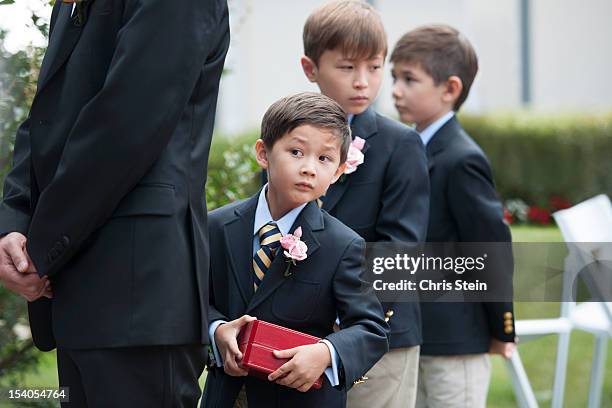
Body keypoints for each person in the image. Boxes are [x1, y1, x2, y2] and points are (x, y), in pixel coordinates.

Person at [0, 0, 230, 406]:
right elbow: (46, 117)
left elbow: (125, 125)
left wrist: (41, 246)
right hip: (74, 289)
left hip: (139, 293)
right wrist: (14, 220)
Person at [202, 92, 389, 408]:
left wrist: (325, 353)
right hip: (226, 397)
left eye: (324, 159)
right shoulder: (216, 227)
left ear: (339, 171)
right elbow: (190, 300)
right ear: (263, 153)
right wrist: (216, 329)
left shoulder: (342, 245)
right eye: (296, 151)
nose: (309, 168)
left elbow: (370, 329)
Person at [300, 2, 430, 407]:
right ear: (310, 68)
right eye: (346, 67)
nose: (363, 82)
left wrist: (345, 312)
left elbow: (401, 248)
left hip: (378, 335)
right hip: (303, 336)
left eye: (374, 67)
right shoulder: (291, 136)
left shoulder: (400, 145)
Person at [390, 24, 516, 407]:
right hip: (414, 335)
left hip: (456, 341)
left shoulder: (462, 159)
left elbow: (490, 248)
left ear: (450, 89)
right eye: (394, 77)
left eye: (409, 79)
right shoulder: (406, 148)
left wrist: (502, 328)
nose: (395, 89)